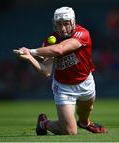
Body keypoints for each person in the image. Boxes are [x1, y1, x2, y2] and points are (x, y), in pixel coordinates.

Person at [16, 6, 107, 135]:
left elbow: (60, 50)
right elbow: (46, 72)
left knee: (86, 111)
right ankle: (44, 123)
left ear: (73, 22)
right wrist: (30, 58)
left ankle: (84, 123)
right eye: (59, 24)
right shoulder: (50, 41)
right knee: (70, 131)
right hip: (64, 87)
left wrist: (31, 51)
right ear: (55, 24)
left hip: (86, 81)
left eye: (66, 24)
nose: (63, 28)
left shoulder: (82, 33)